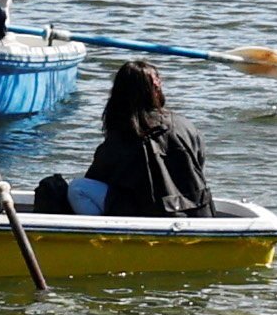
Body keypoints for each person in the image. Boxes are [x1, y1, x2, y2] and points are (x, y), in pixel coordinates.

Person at [75, 61, 215, 217]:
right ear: (156, 89)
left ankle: (103, 234)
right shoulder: (186, 125)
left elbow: (98, 176)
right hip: (195, 208)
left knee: (77, 188)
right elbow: (199, 165)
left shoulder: (124, 131)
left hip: (148, 213)